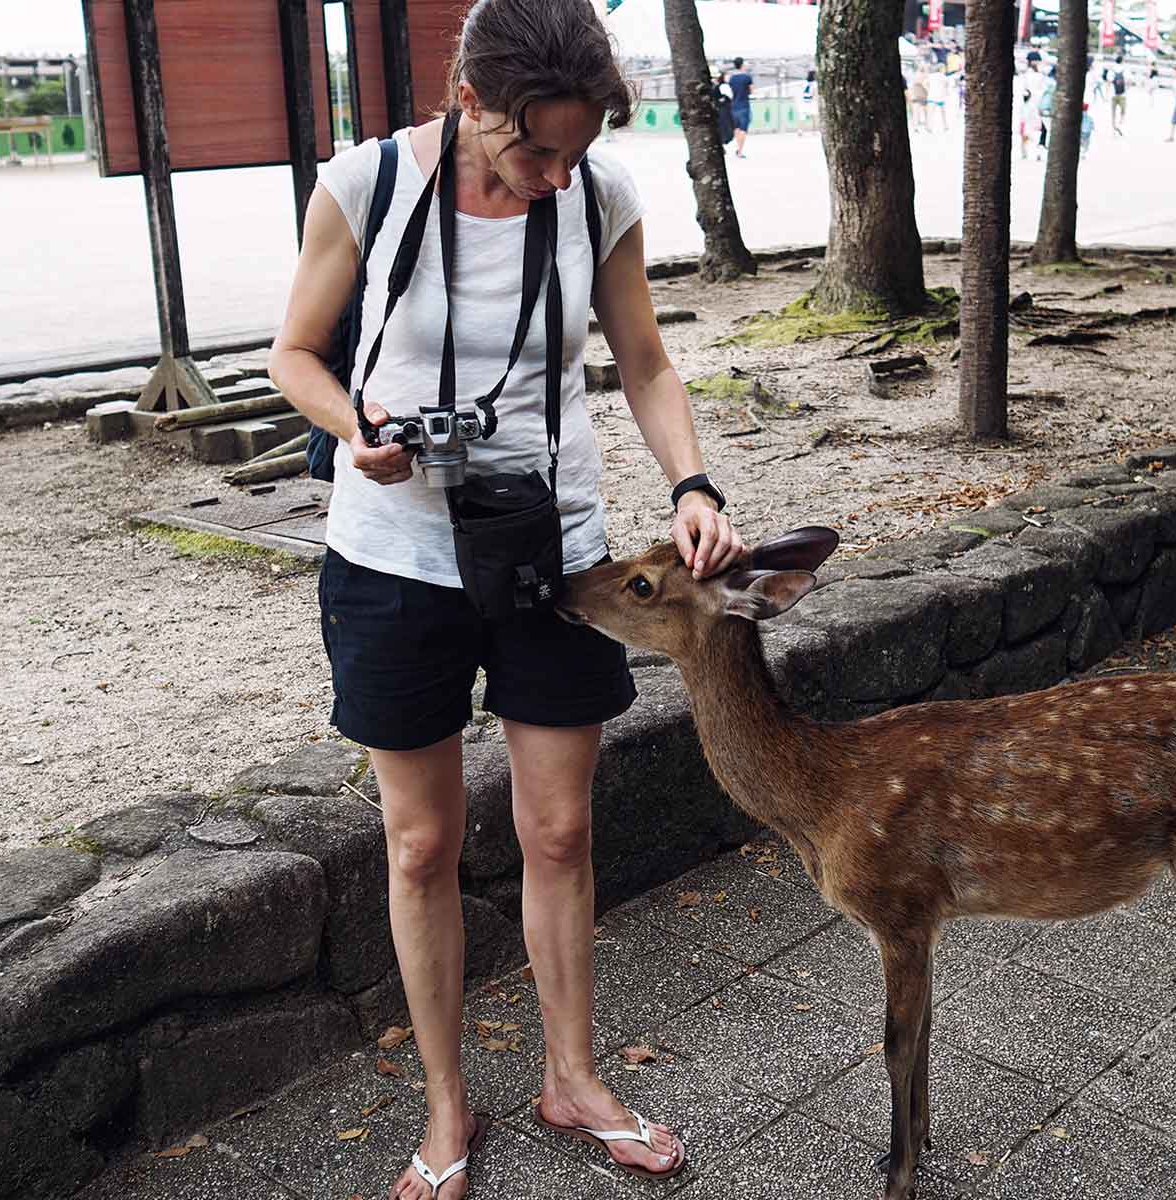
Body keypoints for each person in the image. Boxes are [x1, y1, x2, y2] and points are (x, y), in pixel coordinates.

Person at [268, 2, 743, 1195]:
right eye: (532, 152)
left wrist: (688, 480)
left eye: (573, 152)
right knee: (421, 844)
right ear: (467, 99)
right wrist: (358, 429)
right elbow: (293, 356)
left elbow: (642, 358)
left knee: (560, 829)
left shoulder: (598, 195)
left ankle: (572, 1078)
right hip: (395, 557)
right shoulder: (366, 185)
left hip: (556, 551)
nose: (552, 175)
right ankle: (444, 1109)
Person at [728, 56, 753, 157]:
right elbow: (751, 90)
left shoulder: (732, 78)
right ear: (742, 65)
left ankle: (738, 147)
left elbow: (730, 91)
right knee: (743, 129)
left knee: (736, 128)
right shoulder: (747, 77)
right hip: (744, 105)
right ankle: (740, 150)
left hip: (734, 105)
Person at [925, 62, 951, 132]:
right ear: (941, 69)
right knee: (943, 113)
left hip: (932, 96)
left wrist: (929, 90)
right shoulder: (944, 77)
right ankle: (945, 126)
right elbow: (947, 86)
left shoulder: (931, 76)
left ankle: (929, 127)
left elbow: (925, 83)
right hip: (940, 97)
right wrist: (946, 93)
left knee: (930, 113)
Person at [1110, 54, 1128, 135]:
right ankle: (1120, 125)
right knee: (1123, 112)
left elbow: (1108, 81)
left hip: (1113, 94)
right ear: (1122, 61)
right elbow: (1129, 81)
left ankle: (1114, 128)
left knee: (1113, 112)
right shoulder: (1125, 69)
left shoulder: (1112, 69)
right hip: (1122, 94)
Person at [910, 65, 931, 131]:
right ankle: (927, 127)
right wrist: (928, 90)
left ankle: (915, 127)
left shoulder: (915, 76)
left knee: (916, 112)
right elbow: (925, 85)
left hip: (916, 96)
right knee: (926, 113)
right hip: (922, 96)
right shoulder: (924, 76)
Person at [799, 66, 818, 134]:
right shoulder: (814, 83)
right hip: (811, 101)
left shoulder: (804, 82)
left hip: (804, 101)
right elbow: (814, 93)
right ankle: (814, 131)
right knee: (814, 116)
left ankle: (800, 130)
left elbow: (802, 91)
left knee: (802, 117)